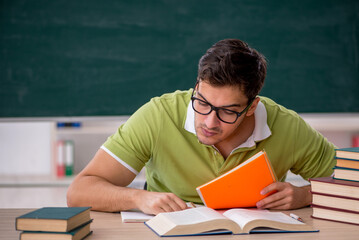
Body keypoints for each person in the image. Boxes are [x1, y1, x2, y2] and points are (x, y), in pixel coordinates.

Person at [67, 39, 336, 214]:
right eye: (202, 103)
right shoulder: (158, 115)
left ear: (251, 107)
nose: (209, 122)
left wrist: (304, 195)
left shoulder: (287, 126)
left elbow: (352, 184)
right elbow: (80, 192)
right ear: (196, 87)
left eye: (228, 112)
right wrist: (139, 199)